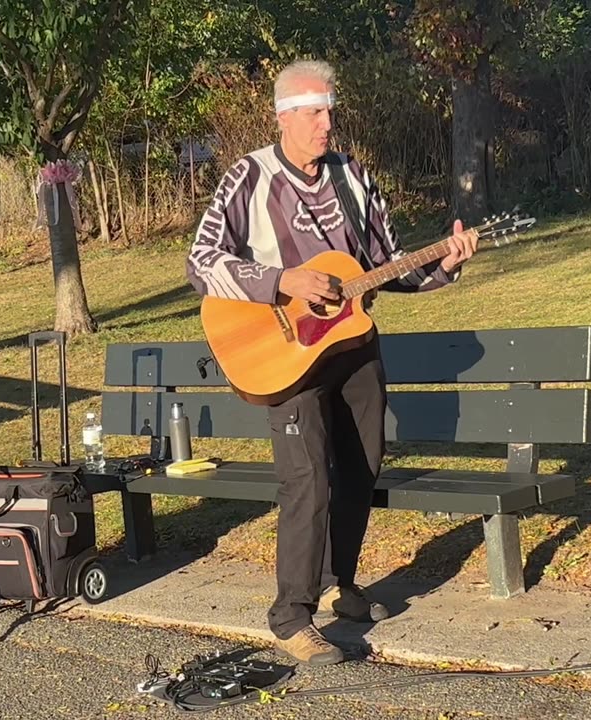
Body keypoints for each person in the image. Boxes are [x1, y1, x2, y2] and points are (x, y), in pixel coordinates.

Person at [185, 59, 479, 665]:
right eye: (315, 112)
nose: (327, 123)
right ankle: (292, 615)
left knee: (360, 468)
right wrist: (280, 279)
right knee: (308, 479)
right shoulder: (250, 177)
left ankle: (342, 585)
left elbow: (387, 264)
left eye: (330, 111)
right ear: (284, 117)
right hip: (281, 352)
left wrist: (446, 263)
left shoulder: (352, 177)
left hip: (353, 347)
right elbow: (202, 261)